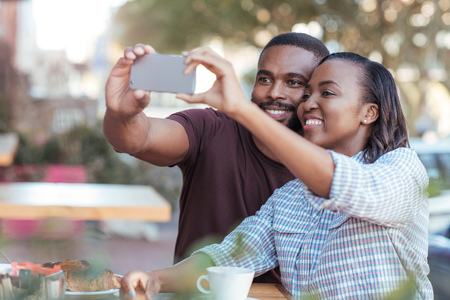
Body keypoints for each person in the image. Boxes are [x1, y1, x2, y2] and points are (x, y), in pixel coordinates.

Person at [119, 50, 433, 299]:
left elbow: (345, 184)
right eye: (308, 93)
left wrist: (243, 110)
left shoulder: (403, 170)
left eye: (327, 93)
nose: (309, 103)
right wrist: (154, 280)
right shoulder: (290, 198)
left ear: (369, 112)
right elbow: (227, 258)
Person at [103, 33, 329, 283]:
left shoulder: (331, 168)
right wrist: (122, 113)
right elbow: (137, 139)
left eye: (294, 82)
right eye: (265, 79)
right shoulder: (211, 128)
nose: (275, 92)